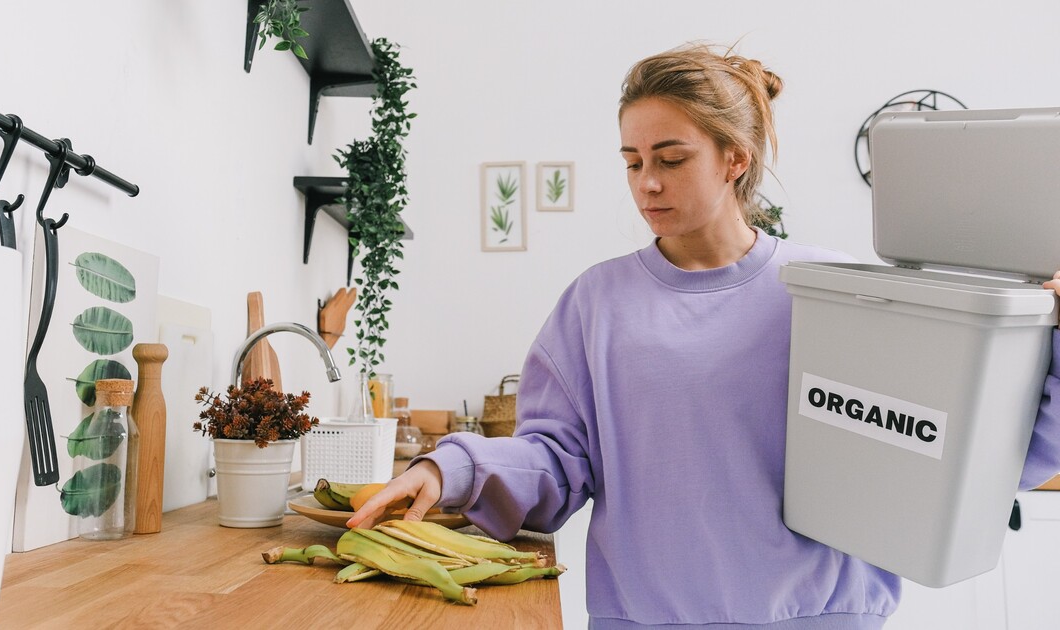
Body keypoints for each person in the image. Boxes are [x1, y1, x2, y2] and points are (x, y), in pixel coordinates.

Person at [348, 43, 1060, 628]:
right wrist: (452, 468)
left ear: (734, 159)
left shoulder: (835, 291)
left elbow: (968, 454)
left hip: (822, 616)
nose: (646, 184)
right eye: (631, 162)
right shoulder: (595, 304)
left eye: (670, 157)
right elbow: (556, 464)